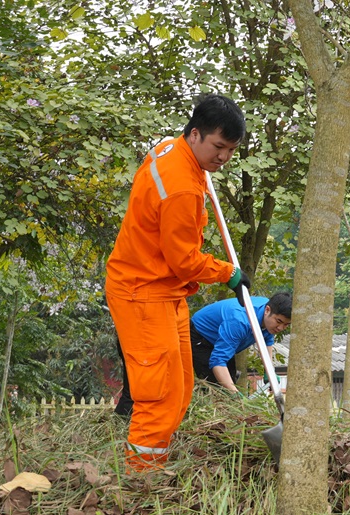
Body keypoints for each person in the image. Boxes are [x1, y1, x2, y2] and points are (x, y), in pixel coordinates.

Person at [105, 93, 251, 472]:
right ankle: (143, 478)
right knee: (159, 395)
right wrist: (228, 273)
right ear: (195, 134)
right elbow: (185, 261)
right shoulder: (181, 186)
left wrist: (202, 173)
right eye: (218, 147)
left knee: (182, 383)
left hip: (165, 289)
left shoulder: (170, 149)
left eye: (231, 150)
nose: (224, 157)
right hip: (142, 292)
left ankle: (157, 460)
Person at [114, 292, 292, 416]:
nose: (280, 328)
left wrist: (269, 372)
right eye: (279, 322)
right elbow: (217, 361)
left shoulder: (269, 315)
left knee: (228, 383)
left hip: (222, 341)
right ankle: (211, 421)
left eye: (285, 325)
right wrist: (234, 394)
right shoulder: (240, 320)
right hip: (200, 338)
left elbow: (266, 340)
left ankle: (227, 418)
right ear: (267, 310)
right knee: (220, 388)